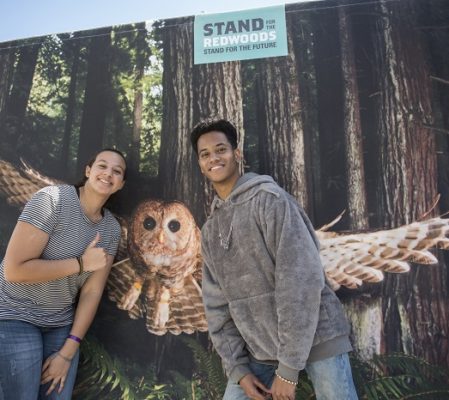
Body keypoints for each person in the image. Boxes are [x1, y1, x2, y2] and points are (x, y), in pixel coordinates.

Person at [190, 119, 358, 400]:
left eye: (221, 149)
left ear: (237, 154)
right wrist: (238, 369)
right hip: (262, 351)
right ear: (200, 163)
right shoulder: (209, 231)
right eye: (205, 154)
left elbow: (300, 282)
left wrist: (289, 370)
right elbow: (217, 307)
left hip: (318, 336)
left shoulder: (271, 201)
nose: (214, 158)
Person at [0, 148, 126, 399]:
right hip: (14, 316)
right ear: (88, 171)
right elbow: (14, 271)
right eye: (102, 166)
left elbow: (92, 291)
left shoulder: (111, 229)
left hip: (59, 325)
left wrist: (68, 351)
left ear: (121, 184)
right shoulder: (52, 200)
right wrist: (80, 264)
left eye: (117, 171)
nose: (108, 174)